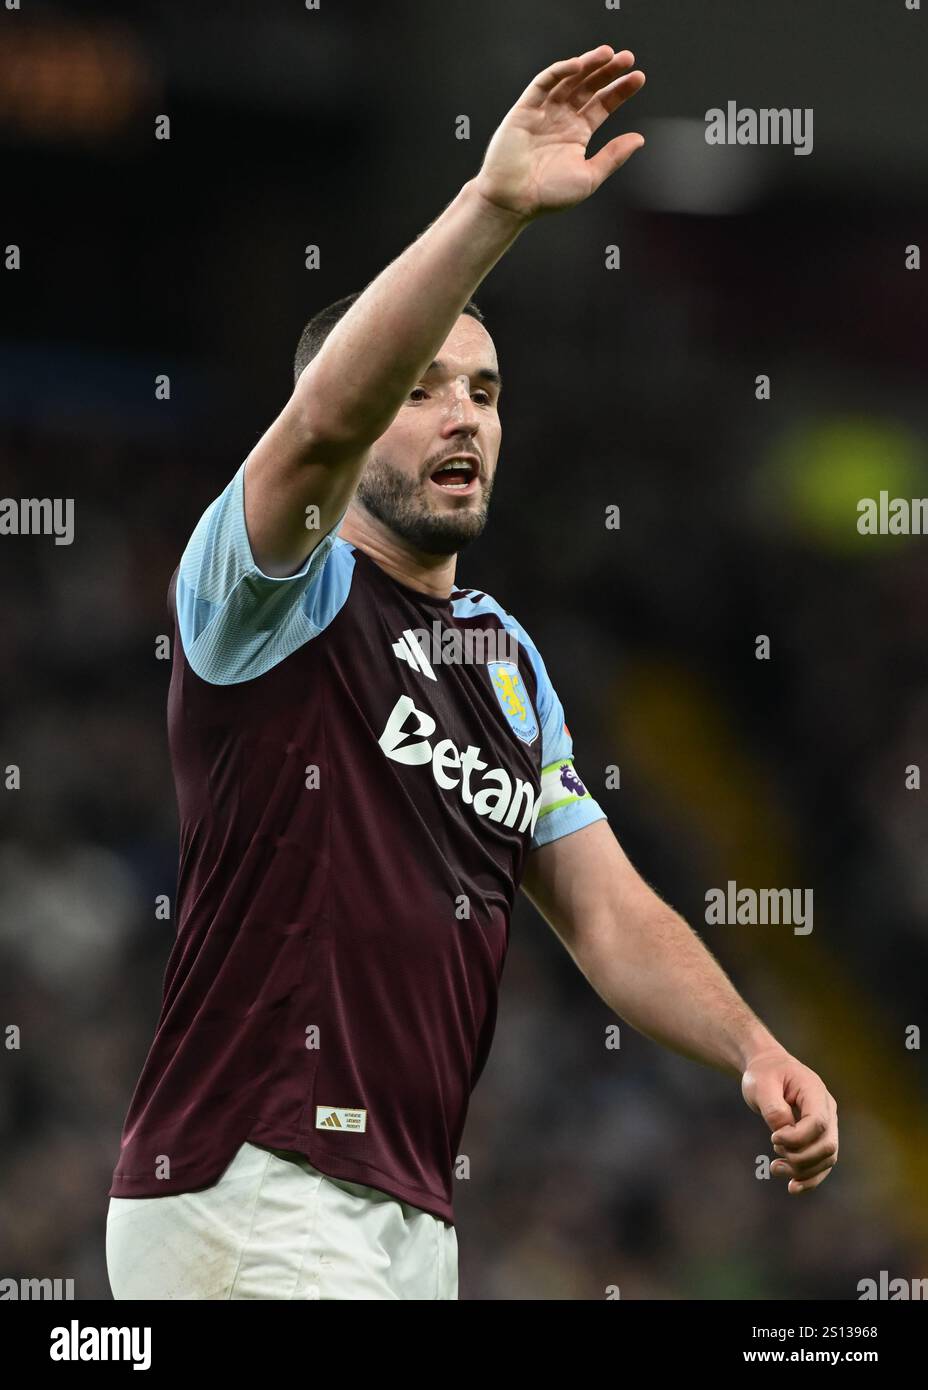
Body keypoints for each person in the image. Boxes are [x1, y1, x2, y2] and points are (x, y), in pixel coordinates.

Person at [106, 43, 838, 1301]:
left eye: (488, 392)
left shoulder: (503, 663)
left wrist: (752, 1045)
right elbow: (326, 420)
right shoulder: (267, 594)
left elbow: (608, 915)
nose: (465, 417)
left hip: (408, 1215)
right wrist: (493, 207)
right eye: (427, 387)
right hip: (251, 1181)